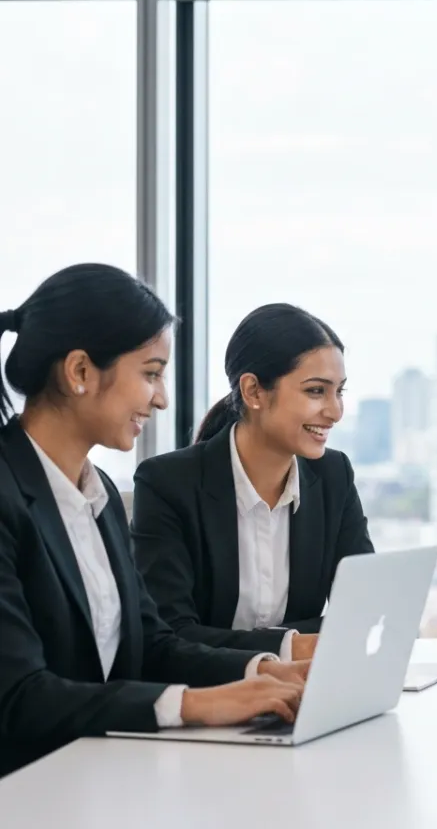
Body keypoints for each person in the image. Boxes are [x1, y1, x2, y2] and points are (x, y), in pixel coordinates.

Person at [0, 264, 307, 778]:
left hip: (101, 779)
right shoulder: (8, 494)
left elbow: (151, 644)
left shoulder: (95, 494)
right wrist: (193, 705)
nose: (162, 397)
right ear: (79, 372)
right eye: (150, 372)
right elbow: (20, 696)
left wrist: (265, 673)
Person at [131, 304, 374, 664]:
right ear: (254, 391)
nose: (335, 411)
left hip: (308, 696)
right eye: (316, 391)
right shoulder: (168, 485)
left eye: (339, 392)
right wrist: (291, 645)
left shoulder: (333, 476)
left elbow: (362, 612)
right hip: (210, 700)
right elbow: (171, 633)